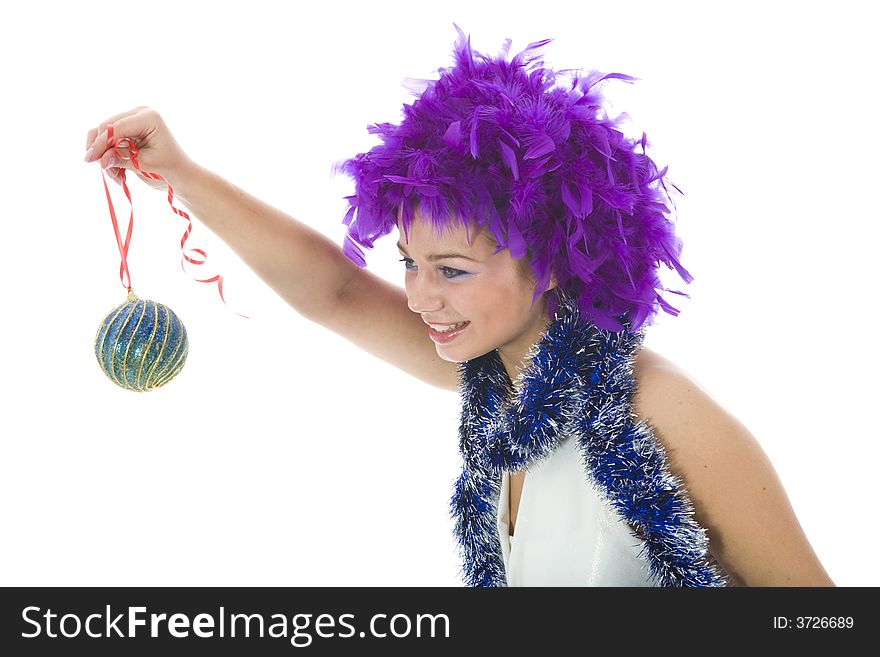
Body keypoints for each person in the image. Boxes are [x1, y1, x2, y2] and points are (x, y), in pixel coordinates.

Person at [83, 27, 835, 587]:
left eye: (451, 269)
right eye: (409, 262)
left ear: (550, 260)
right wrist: (176, 170)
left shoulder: (658, 410)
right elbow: (338, 291)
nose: (418, 298)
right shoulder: (493, 379)